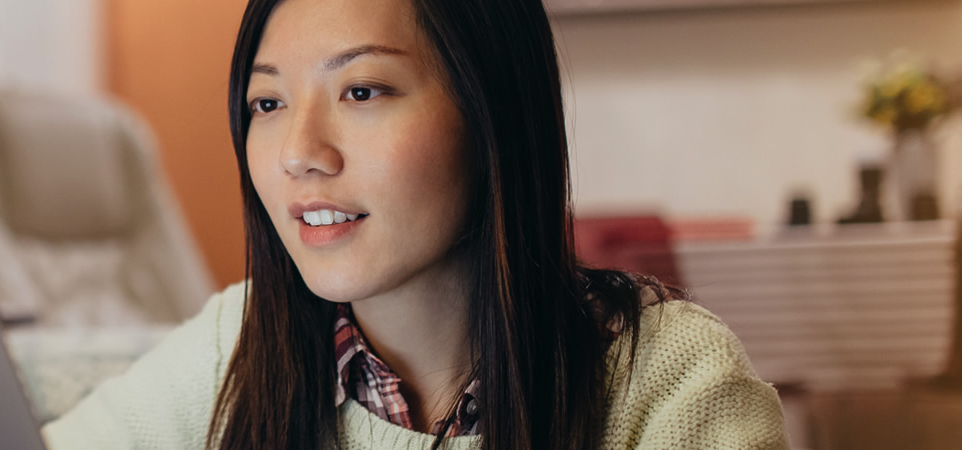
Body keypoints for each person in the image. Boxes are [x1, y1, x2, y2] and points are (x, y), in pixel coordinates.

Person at [39, 0, 788, 448]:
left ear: (491, 113)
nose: (300, 153)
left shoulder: (670, 381)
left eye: (362, 90)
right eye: (267, 104)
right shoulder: (237, 344)